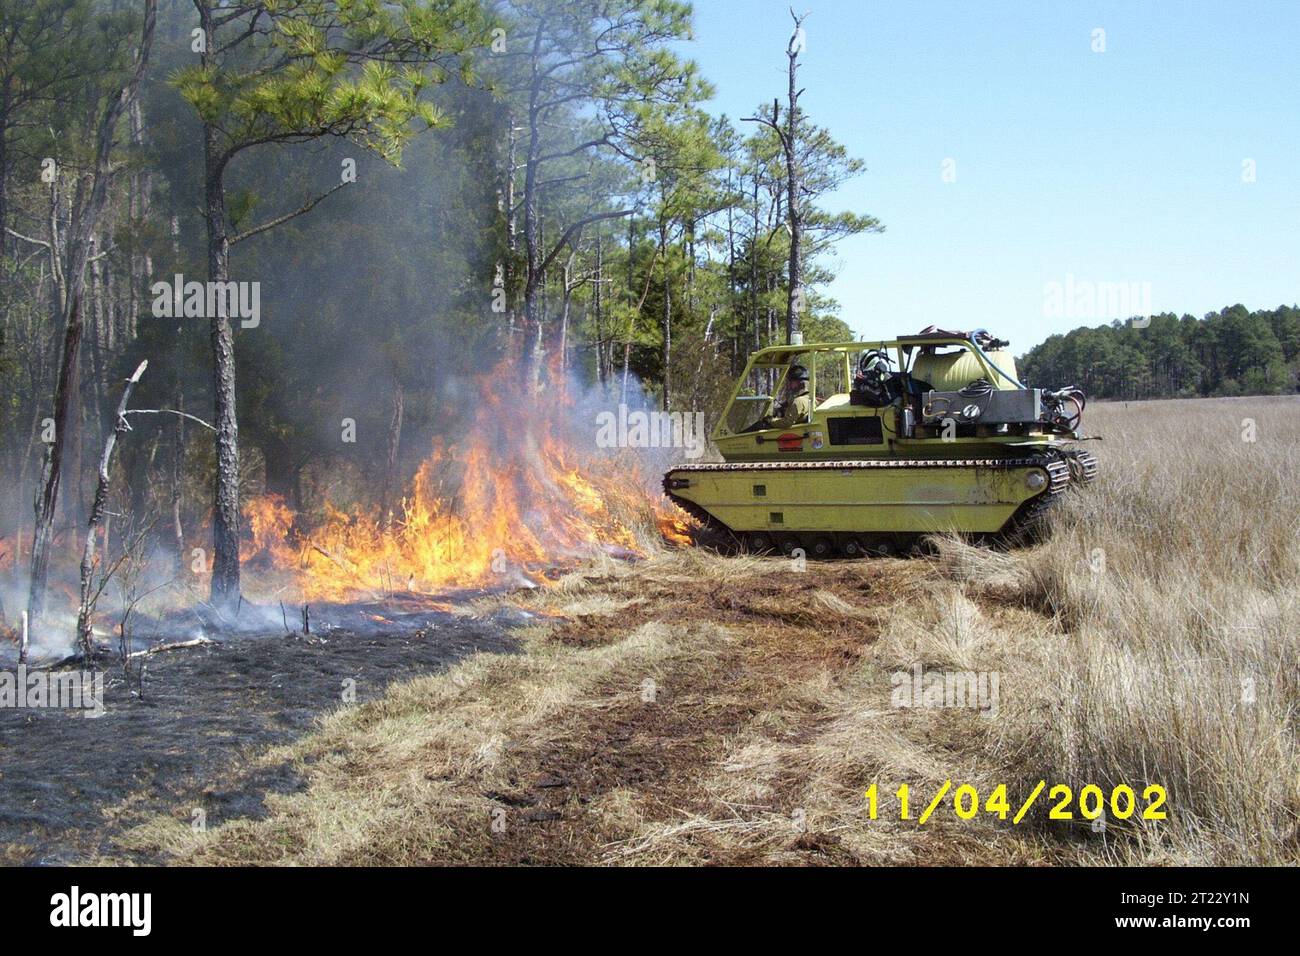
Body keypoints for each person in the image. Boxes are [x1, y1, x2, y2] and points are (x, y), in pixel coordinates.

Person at [768, 364, 811, 428]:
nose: (790, 385)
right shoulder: (809, 398)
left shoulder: (798, 401)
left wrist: (770, 421)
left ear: (799, 383)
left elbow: (787, 422)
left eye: (791, 382)